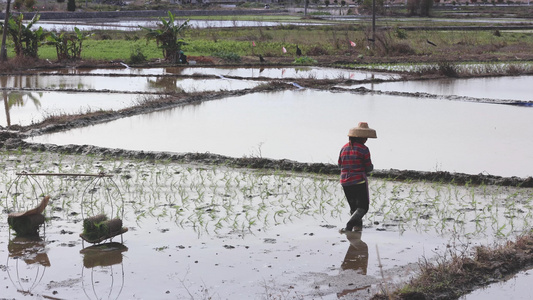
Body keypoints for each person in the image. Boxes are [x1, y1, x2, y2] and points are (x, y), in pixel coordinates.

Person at [338, 122, 377, 232]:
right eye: (365, 137)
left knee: (353, 208)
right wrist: (370, 168)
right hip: (358, 181)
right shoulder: (364, 149)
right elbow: (368, 167)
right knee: (363, 207)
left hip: (345, 182)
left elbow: (340, 164)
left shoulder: (343, 148)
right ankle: (350, 225)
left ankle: (357, 229)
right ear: (360, 138)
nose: (366, 140)